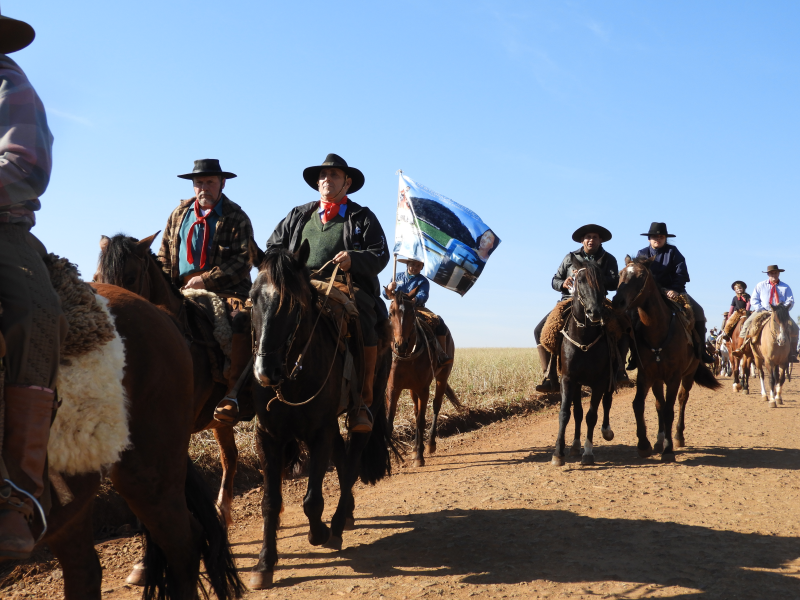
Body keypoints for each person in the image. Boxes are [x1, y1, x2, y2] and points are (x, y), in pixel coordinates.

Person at [0, 11, 69, 560]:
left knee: (35, 310)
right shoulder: (178, 214)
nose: (204, 188)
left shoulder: (10, 83)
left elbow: (24, 164)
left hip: (1, 226)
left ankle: (18, 491)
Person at [266, 154, 390, 432]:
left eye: (334, 175)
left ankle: (362, 401)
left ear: (347, 182)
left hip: (347, 284)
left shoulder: (362, 217)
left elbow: (380, 254)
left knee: (364, 318)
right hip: (300, 283)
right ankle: (252, 391)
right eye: (323, 176)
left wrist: (354, 259)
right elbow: (273, 247)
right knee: (262, 313)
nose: (327, 180)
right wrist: (286, 268)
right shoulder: (298, 215)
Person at [157, 159, 256, 424]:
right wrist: (167, 287)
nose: (204, 188)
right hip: (181, 289)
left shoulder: (236, 216)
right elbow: (164, 256)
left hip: (227, 290)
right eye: (199, 183)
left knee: (242, 323)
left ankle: (236, 395)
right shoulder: (178, 215)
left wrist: (206, 280)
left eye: (210, 182)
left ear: (222, 184)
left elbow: (243, 260)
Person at [534, 224, 619, 392]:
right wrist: (563, 283)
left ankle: (619, 370)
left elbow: (615, 282)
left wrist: (596, 278)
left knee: (622, 326)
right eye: (588, 237)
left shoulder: (609, 259)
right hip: (569, 301)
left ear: (600, 240)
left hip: (598, 301)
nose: (591, 240)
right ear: (582, 240)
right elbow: (555, 280)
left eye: (595, 237)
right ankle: (549, 376)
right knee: (539, 331)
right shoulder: (569, 258)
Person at [633, 222, 713, 364]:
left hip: (674, 291)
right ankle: (634, 354)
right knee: (630, 315)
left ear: (665, 238)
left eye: (661, 236)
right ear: (648, 238)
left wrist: (674, 289)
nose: (657, 239)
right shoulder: (641, 253)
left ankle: (701, 351)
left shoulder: (673, 251)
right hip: (649, 293)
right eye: (654, 237)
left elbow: (681, 273)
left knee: (698, 311)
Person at [384, 257, 451, 365]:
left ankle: (441, 354)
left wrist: (415, 299)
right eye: (413, 264)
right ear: (407, 264)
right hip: (397, 310)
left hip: (416, 307)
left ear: (421, 268)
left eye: (418, 266)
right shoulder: (396, 277)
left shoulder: (423, 281)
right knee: (381, 323)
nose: (415, 267)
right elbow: (386, 295)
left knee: (438, 321)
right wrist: (389, 287)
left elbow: (423, 295)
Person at [733, 265, 797, 363]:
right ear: (768, 274)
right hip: (763, 311)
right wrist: (760, 308)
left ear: (779, 273)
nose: (774, 275)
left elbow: (790, 300)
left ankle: (792, 353)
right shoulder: (760, 285)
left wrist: (783, 309)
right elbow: (754, 299)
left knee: (795, 327)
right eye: (772, 273)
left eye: (776, 273)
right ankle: (740, 349)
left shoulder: (785, 287)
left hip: (780, 313)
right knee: (746, 324)